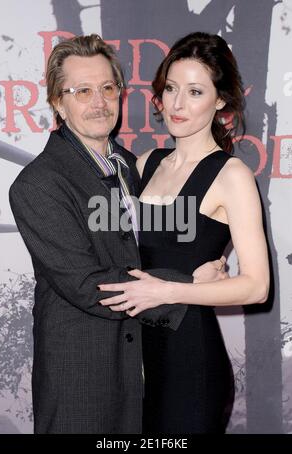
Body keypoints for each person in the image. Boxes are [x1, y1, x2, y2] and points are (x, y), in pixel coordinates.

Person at [9, 34, 226, 434]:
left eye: (108, 88)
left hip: (145, 374)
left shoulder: (130, 166)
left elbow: (151, 247)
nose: (99, 102)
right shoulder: (38, 184)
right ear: (58, 102)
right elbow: (87, 285)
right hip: (81, 382)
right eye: (83, 90)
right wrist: (189, 285)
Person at [98, 32, 270, 434]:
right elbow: (116, 252)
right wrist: (187, 278)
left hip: (191, 359)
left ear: (221, 100)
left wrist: (171, 290)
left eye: (195, 91)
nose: (177, 104)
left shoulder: (232, 176)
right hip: (135, 358)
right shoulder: (145, 164)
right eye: (171, 88)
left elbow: (256, 287)